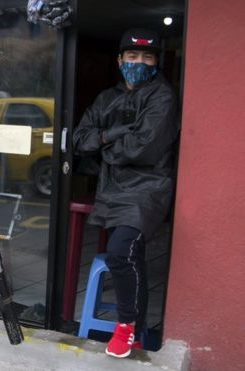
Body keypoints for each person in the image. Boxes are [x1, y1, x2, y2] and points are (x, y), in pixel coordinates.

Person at [73, 28, 179, 358]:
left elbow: (143, 149)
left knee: (121, 250)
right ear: (120, 60)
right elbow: (78, 139)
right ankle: (138, 329)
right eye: (132, 56)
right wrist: (109, 135)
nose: (139, 62)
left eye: (147, 57)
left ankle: (127, 325)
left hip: (148, 189)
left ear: (157, 62)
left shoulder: (161, 96)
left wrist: (104, 147)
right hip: (112, 189)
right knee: (131, 255)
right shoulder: (107, 98)